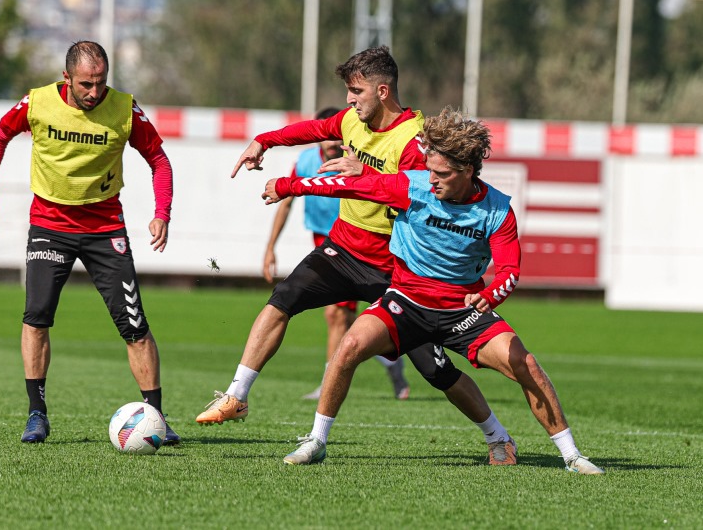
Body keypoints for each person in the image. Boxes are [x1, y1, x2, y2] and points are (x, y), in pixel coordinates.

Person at [197, 46, 516, 466]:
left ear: (382, 91)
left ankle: (498, 437)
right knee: (282, 301)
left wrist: (359, 175)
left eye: (356, 91)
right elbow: (311, 129)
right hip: (343, 247)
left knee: (436, 369)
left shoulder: (414, 141)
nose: (349, 100)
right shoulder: (350, 120)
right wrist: (263, 142)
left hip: (395, 269)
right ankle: (236, 396)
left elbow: (408, 195)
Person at [262, 106, 605, 475]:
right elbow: (351, 185)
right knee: (350, 347)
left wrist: (490, 297)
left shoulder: (498, 210)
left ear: (468, 171)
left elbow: (510, 271)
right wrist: (288, 185)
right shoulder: (413, 185)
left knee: (526, 364)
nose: (432, 179)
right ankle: (316, 442)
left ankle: (572, 456)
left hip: (465, 311)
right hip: (406, 302)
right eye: (429, 170)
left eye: (441, 174)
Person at [0, 40, 180, 446]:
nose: (94, 92)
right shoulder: (36, 103)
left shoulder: (124, 108)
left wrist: (162, 212)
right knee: (36, 317)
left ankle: (156, 417)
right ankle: (37, 414)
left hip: (106, 228)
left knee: (135, 325)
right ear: (66, 78)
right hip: (50, 224)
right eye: (86, 84)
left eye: (101, 83)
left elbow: (158, 158)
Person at [263, 106, 410, 402]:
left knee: (337, 315)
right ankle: (390, 360)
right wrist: (270, 247)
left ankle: (330, 381)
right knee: (342, 317)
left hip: (362, 247)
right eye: (327, 140)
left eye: (336, 140)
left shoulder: (358, 161)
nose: (332, 145)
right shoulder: (305, 162)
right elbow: (287, 202)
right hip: (327, 241)